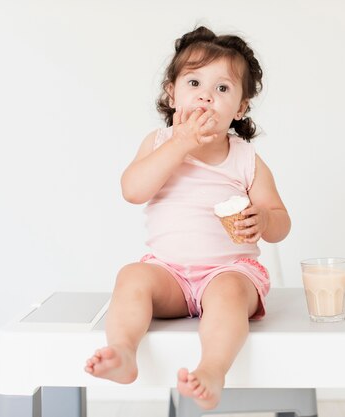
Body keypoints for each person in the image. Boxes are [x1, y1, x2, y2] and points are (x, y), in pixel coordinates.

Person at [84, 26, 290, 410]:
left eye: (223, 89)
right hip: (170, 274)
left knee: (227, 294)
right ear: (171, 94)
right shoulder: (160, 144)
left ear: (240, 108)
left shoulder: (245, 158)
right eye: (194, 82)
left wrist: (262, 218)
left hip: (230, 271)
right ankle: (124, 352)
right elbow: (133, 190)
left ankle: (212, 369)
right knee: (132, 276)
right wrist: (180, 144)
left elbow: (281, 220)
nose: (206, 96)